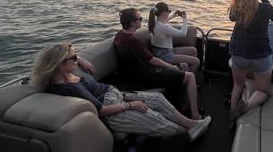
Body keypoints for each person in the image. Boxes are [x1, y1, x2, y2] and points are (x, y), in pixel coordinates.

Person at [31, 42, 211, 142]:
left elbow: (75, 60)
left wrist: (82, 61)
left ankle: (191, 124)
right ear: (60, 64)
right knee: (156, 119)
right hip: (112, 110)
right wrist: (130, 105)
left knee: (157, 99)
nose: (77, 59)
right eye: (74, 58)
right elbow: (101, 110)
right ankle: (186, 130)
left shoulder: (66, 71)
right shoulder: (68, 88)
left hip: (115, 93)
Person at [115, 8, 203, 120]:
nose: (141, 20)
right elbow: (152, 60)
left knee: (184, 68)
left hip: (135, 75)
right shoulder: (133, 41)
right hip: (144, 77)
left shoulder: (119, 36)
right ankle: (195, 115)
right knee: (189, 76)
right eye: (139, 18)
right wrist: (172, 67)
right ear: (133, 23)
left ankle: (184, 104)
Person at [228, 0, 273, 125]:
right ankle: (244, 108)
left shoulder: (238, 8)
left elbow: (232, 17)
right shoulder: (266, 8)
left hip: (239, 51)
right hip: (260, 54)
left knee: (238, 85)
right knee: (263, 91)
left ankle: (232, 113)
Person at [148, 2, 200, 72]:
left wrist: (173, 16)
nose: (169, 13)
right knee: (196, 61)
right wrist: (185, 19)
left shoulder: (155, 23)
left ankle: (187, 72)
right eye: (169, 11)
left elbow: (163, 22)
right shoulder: (164, 27)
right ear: (164, 12)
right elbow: (183, 34)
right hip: (165, 56)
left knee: (193, 50)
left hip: (163, 52)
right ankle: (187, 77)